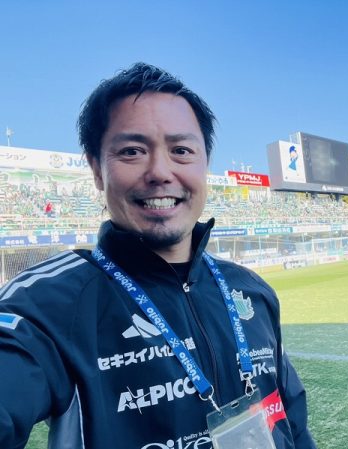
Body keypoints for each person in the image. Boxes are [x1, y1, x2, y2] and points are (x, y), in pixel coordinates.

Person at [0, 62, 317, 449]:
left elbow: (294, 423)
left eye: (181, 150)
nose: (160, 172)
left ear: (205, 164)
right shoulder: (46, 305)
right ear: (97, 170)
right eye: (132, 151)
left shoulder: (252, 290)